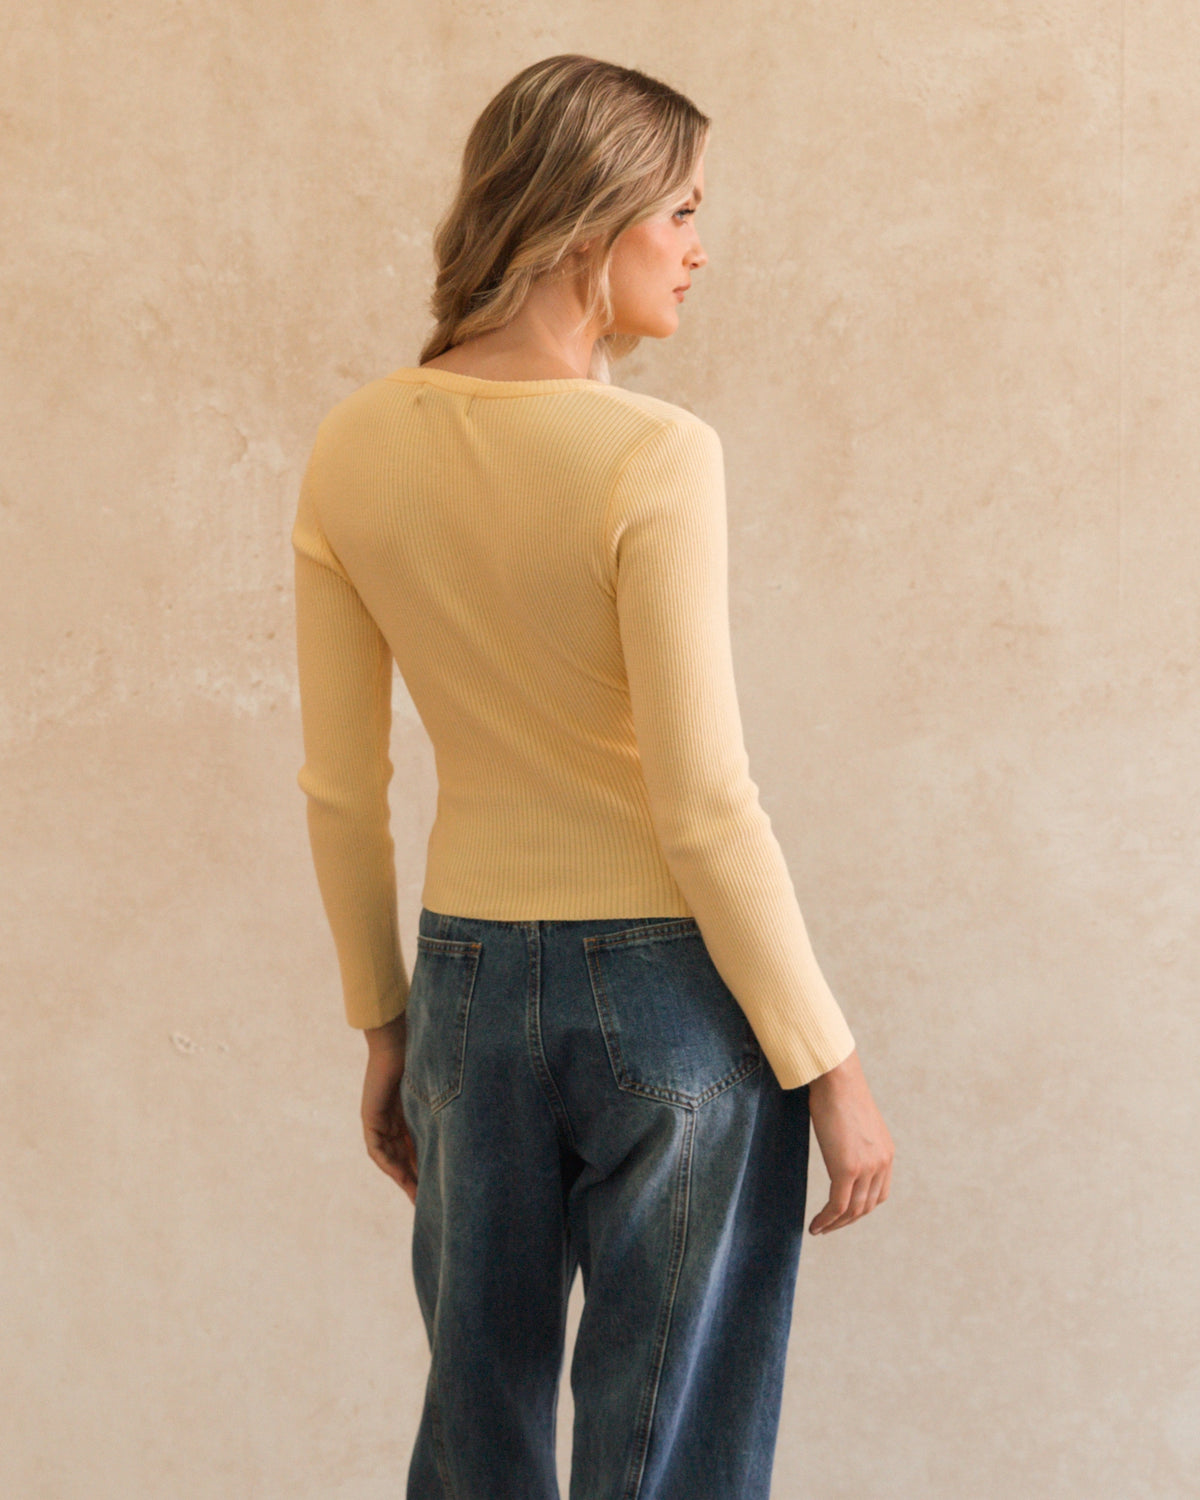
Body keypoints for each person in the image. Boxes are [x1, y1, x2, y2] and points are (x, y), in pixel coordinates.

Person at [292, 52, 894, 1500]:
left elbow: (341, 786)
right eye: (680, 211)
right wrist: (831, 1065)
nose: (699, 247)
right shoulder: (654, 455)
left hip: (468, 988)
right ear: (588, 220)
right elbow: (704, 800)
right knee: (667, 1449)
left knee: (477, 1431)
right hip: (674, 995)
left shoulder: (353, 446)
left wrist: (385, 1020)